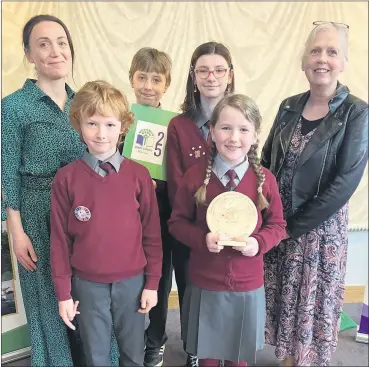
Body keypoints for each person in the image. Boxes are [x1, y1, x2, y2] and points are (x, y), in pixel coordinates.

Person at [261, 21, 368, 367]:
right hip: (280, 226)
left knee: (308, 308)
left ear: (344, 61)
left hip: (319, 234)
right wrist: (265, 211)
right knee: (283, 306)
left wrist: (292, 226)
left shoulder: (357, 112)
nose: (322, 58)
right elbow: (266, 162)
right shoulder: (289, 105)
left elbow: (344, 184)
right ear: (304, 59)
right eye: (315, 50)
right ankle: (288, 360)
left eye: (332, 51)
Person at [50, 80, 163, 367]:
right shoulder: (66, 179)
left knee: (133, 355)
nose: (101, 134)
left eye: (110, 125)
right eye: (92, 124)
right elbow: (60, 242)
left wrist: (152, 284)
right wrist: (64, 294)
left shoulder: (139, 176)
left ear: (123, 127)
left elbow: (151, 235)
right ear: (79, 124)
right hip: (87, 285)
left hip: (132, 285)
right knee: (96, 356)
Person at [168, 94, 286, 367]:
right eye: (226, 128)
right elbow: (176, 222)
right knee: (207, 353)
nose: (234, 137)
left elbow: (277, 225)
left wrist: (259, 243)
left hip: (247, 283)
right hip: (205, 281)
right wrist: (201, 239)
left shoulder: (265, 180)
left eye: (244, 129)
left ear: (256, 135)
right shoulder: (195, 177)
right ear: (212, 131)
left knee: (238, 356)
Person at [1, 14, 85, 366]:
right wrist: (15, 232)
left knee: (86, 300)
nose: (55, 51)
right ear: (29, 54)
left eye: (61, 42)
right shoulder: (13, 107)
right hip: (37, 214)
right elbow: (7, 176)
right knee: (47, 303)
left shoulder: (85, 104)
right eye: (43, 44)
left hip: (84, 216)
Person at [166, 41, 234, 367]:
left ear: (230, 76)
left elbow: (249, 176)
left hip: (233, 230)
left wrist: (230, 223)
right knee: (193, 296)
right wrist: (206, 224)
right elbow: (179, 185)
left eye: (219, 70)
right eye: (203, 70)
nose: (211, 77)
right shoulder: (178, 126)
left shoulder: (240, 121)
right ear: (194, 77)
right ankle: (195, 350)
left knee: (226, 296)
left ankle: (224, 349)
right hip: (193, 231)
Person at [129, 47, 173, 367]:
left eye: (155, 79)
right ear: (131, 79)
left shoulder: (175, 127)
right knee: (130, 273)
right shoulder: (118, 121)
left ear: (166, 85)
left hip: (163, 210)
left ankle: (155, 339)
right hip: (126, 213)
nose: (148, 85)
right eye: (142, 76)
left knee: (160, 275)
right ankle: (129, 333)